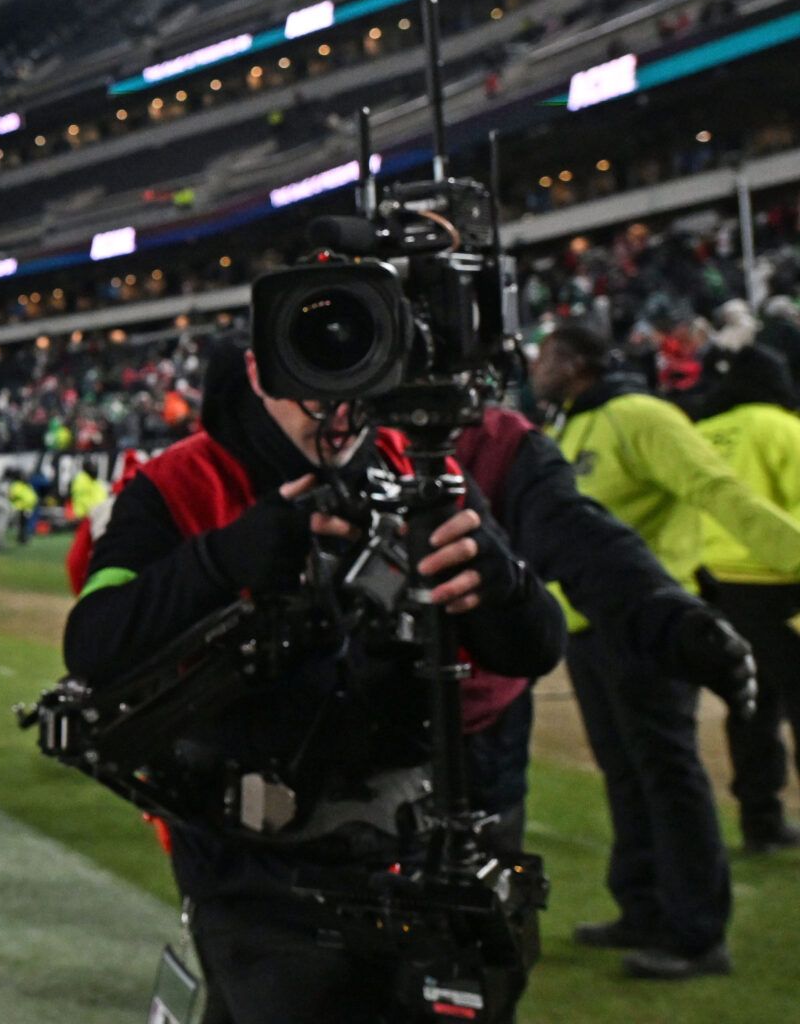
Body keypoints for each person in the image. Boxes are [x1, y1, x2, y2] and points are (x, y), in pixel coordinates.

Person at [68, 337, 565, 1024]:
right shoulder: (180, 482)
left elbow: (534, 645)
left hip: (415, 845)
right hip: (256, 871)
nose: (335, 404)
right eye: (310, 365)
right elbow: (94, 641)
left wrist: (502, 582)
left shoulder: (415, 467)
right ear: (256, 367)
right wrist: (221, 561)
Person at [531, 323, 800, 978]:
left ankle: (698, 934)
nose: (535, 367)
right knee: (625, 774)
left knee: (668, 774)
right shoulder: (569, 428)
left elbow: (717, 491)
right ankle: (644, 907)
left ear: (575, 362)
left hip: (650, 630)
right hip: (588, 632)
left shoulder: (641, 415)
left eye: (545, 356)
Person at [449, 407, 755, 857]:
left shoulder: (502, 439)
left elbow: (578, 536)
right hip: (339, 728)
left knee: (477, 891)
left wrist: (671, 619)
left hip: (477, 721)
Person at [694, 344, 800, 851]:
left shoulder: (703, 434)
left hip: (715, 587)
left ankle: (760, 821)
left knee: (750, 706)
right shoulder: (783, 428)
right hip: (781, 585)